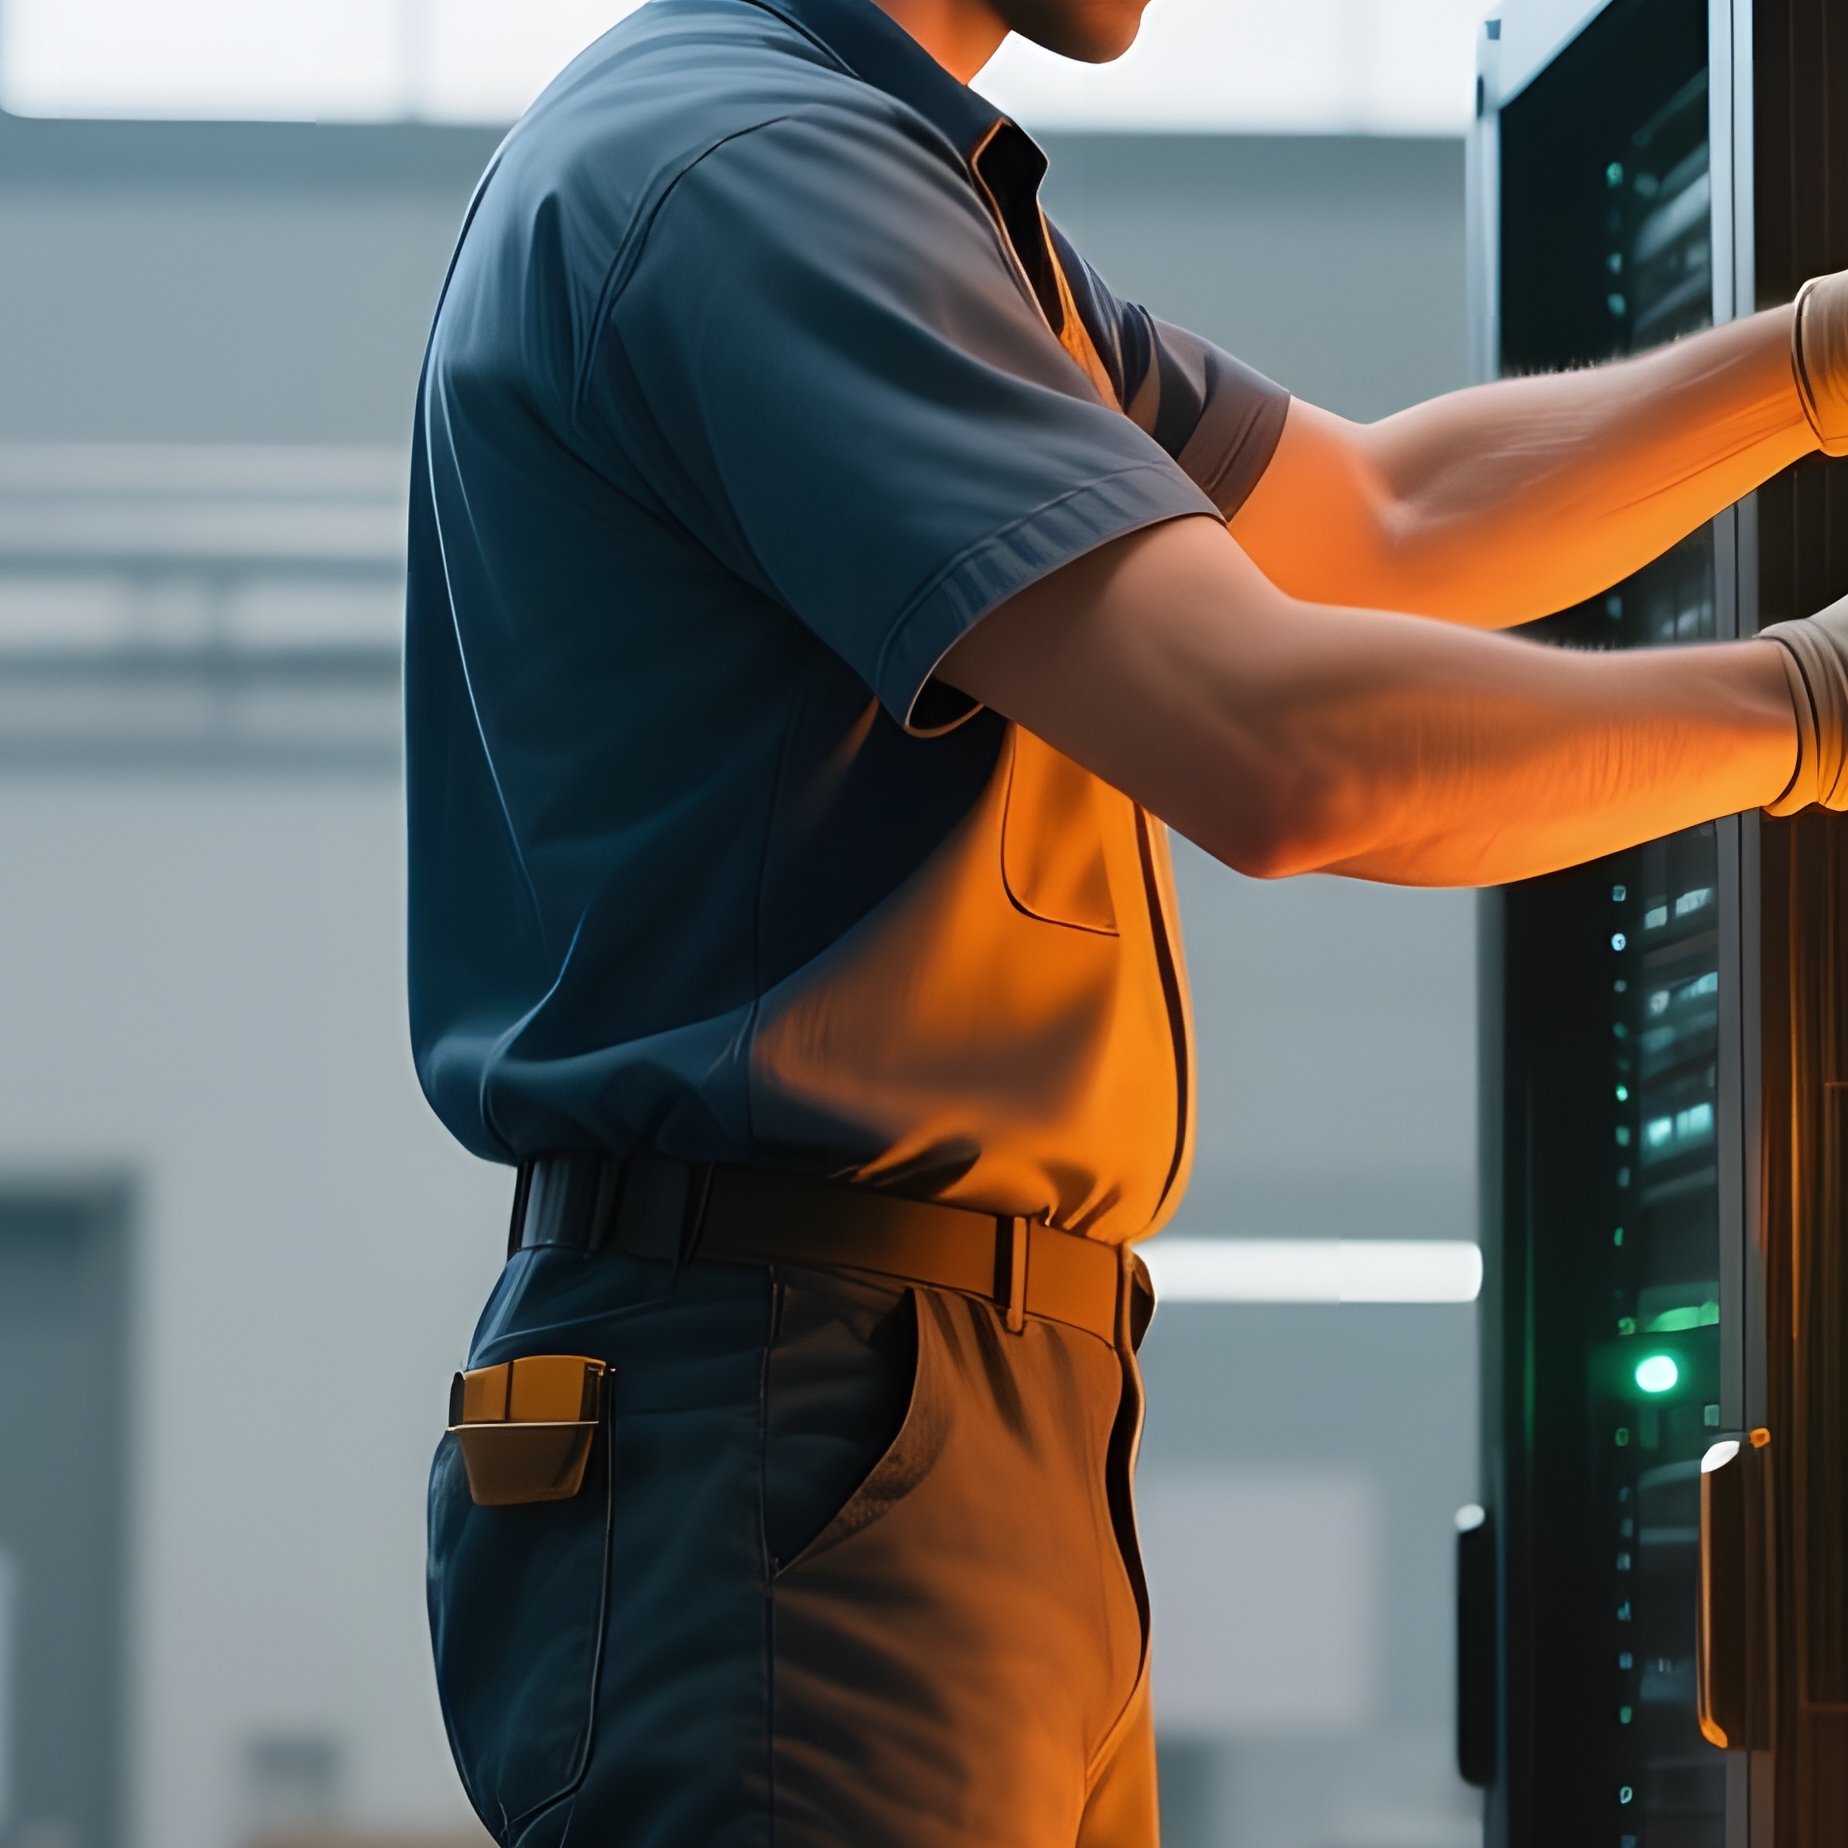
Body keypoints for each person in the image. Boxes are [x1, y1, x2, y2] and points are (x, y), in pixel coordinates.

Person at [404, 0, 1848, 1841]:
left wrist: (1810, 368)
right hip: (800, 1429)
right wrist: (1806, 709)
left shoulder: (892, 185)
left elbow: (1392, 519)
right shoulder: (752, 177)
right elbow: (1282, 749)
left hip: (936, 1415)